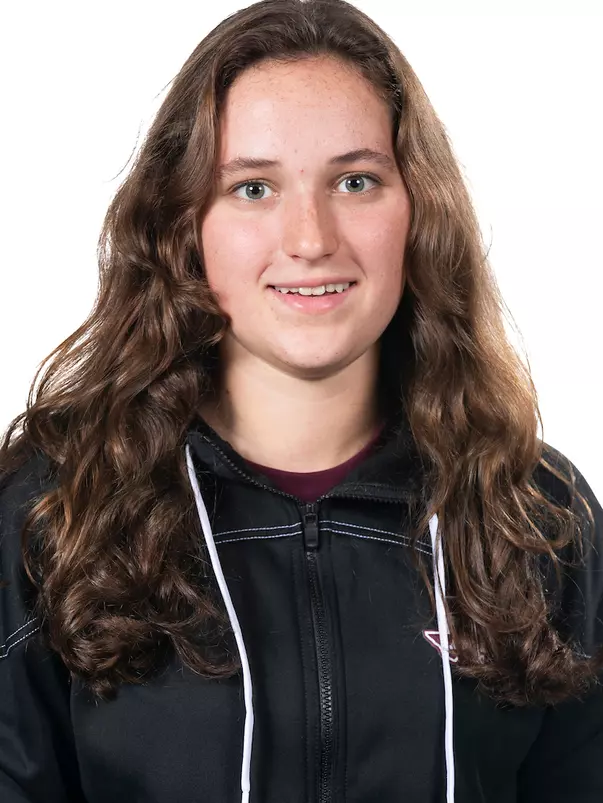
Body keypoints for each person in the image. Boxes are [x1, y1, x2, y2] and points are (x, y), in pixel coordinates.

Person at [1, 0, 602, 801]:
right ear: (185, 225)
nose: (311, 237)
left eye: (355, 181)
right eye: (252, 187)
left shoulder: (535, 516)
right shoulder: (57, 509)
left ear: (417, 210)